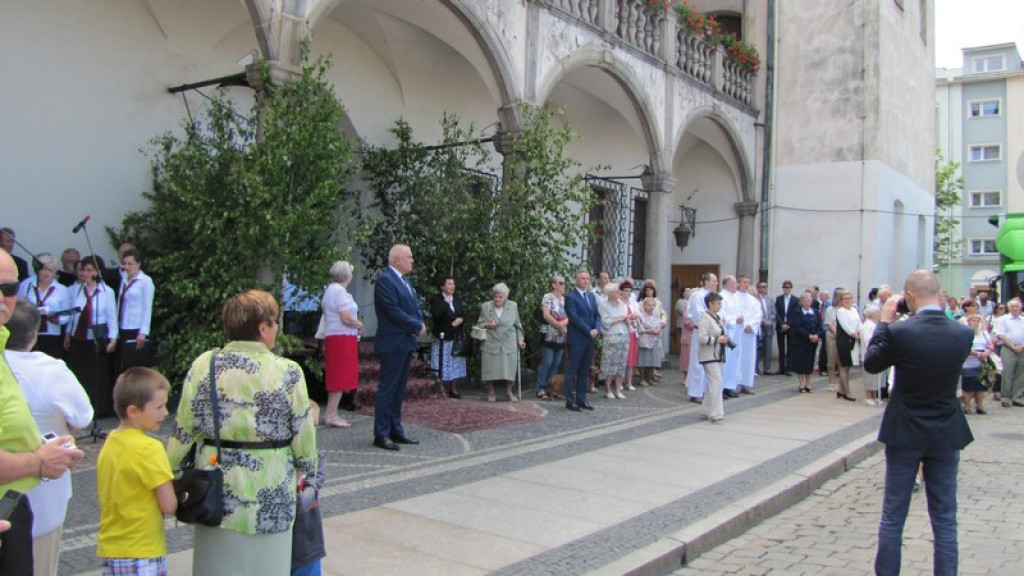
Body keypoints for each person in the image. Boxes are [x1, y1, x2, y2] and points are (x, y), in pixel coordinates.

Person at [167, 289, 318, 575]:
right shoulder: (288, 371)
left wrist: (170, 473)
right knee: (267, 567)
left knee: (217, 565)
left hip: (215, 489)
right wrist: (307, 469)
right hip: (271, 487)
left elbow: (184, 428)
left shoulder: (205, 364)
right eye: (275, 323)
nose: (277, 329)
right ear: (263, 328)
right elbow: (303, 435)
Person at [864, 270, 974, 576]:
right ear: (938, 294)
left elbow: (872, 363)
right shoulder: (963, 333)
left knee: (893, 516)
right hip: (945, 431)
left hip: (906, 431)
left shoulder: (901, 332)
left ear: (909, 296)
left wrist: (885, 321)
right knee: (945, 519)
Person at [0, 249, 85, 576]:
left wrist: (39, 448)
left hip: (16, 504)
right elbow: (83, 416)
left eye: (9, 289)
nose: (3, 298)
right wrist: (38, 461)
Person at [96, 368, 176, 576]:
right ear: (133, 411)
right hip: (143, 550)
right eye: (159, 407)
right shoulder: (150, 448)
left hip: (112, 548)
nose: (165, 413)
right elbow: (168, 505)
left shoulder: (110, 443)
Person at [371, 244, 426, 450]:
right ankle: (381, 433)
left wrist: (419, 320)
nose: (412, 260)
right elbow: (393, 311)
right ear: (397, 260)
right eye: (409, 257)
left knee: (399, 389)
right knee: (388, 389)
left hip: (405, 342)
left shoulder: (404, 281)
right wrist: (416, 325)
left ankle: (396, 428)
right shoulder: (385, 281)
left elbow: (412, 306)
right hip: (392, 342)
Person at [64, 257, 118, 418]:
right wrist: (67, 332)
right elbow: (73, 313)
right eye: (83, 270)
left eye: (89, 270)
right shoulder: (78, 290)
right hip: (79, 336)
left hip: (97, 335)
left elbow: (111, 317)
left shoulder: (106, 291)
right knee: (80, 373)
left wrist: (113, 338)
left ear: (97, 272)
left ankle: (99, 408)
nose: (85, 273)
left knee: (98, 373)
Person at [321, 261, 363, 428]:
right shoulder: (339, 292)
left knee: (337, 375)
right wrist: (359, 324)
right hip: (341, 337)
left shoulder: (331, 290)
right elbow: (346, 318)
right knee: (339, 376)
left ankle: (332, 412)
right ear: (348, 276)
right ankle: (331, 414)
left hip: (336, 336)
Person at [476, 283, 526, 403]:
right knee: (489, 368)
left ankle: (509, 392)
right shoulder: (486, 306)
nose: (497, 299)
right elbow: (479, 324)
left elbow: (518, 325)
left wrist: (520, 340)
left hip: (508, 342)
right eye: (495, 296)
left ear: (506, 298)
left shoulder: (513, 306)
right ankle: (491, 392)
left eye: (500, 297)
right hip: (491, 341)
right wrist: (487, 325)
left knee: (510, 369)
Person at [18, 253, 71, 360]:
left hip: (52, 334)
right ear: (37, 270)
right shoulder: (26, 285)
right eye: (44, 269)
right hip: (30, 332)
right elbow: (18, 305)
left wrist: (58, 319)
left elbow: (68, 314)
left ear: (55, 272)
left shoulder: (62, 290)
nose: (47, 273)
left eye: (50, 270)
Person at [564, 269, 600, 412]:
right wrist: (588, 330)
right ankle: (570, 400)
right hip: (577, 338)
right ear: (576, 281)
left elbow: (597, 315)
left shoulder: (591, 296)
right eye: (583, 278)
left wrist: (597, 328)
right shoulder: (571, 297)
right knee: (572, 370)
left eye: (587, 278)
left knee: (585, 370)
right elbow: (574, 317)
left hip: (589, 339)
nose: (586, 281)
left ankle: (581, 399)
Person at [116, 248, 155, 372]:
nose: (127, 267)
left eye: (130, 264)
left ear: (139, 264)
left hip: (136, 327)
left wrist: (143, 332)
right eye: (125, 264)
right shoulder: (124, 280)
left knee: (134, 364)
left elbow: (147, 307)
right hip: (123, 326)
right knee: (122, 364)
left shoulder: (145, 281)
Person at [429, 275, 467, 399]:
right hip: (442, 337)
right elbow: (436, 314)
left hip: (455, 336)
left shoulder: (456, 299)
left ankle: (453, 388)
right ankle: (439, 388)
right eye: (450, 284)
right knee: (441, 363)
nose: (453, 286)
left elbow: (462, 313)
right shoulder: (437, 299)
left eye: (453, 284)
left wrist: (460, 320)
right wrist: (446, 303)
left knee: (455, 363)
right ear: (442, 286)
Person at [686, 273, 718, 403]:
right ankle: (695, 392)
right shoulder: (697, 296)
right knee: (698, 363)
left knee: (709, 362)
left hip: (711, 333)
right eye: (714, 281)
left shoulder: (714, 297)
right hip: (701, 332)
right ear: (706, 282)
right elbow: (699, 315)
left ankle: (705, 390)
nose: (716, 283)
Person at [697, 291, 728, 423]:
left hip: (718, 354)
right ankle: (715, 412)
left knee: (714, 382)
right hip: (708, 355)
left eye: (720, 303)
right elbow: (701, 338)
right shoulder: (705, 318)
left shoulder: (717, 318)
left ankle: (706, 409)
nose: (720, 306)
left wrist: (724, 339)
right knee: (716, 382)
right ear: (710, 304)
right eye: (718, 303)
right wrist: (716, 340)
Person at [535, 275, 568, 399]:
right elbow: (546, 315)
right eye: (560, 283)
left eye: (564, 283)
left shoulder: (565, 300)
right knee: (547, 361)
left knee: (556, 362)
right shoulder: (548, 297)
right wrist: (557, 325)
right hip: (549, 334)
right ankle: (541, 387)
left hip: (561, 335)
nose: (563, 285)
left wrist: (562, 325)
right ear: (553, 285)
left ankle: (552, 389)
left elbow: (569, 316)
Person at [598, 283, 630, 399]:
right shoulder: (603, 305)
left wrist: (628, 319)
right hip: (611, 335)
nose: (619, 293)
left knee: (621, 363)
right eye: (617, 291)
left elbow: (625, 318)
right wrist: (622, 318)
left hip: (623, 335)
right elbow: (606, 322)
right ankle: (607, 389)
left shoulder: (622, 304)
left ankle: (618, 389)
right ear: (610, 294)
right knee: (609, 363)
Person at [992, 297, 1024, 408]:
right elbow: (1001, 335)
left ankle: (1017, 397)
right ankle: (1005, 397)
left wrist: (1022, 346)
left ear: (1020, 308)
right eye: (1013, 306)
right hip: (1007, 348)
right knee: (1007, 374)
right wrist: (1013, 347)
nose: (1015, 308)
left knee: (1020, 374)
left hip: (1022, 349)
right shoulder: (1003, 319)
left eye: (1017, 306)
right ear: (1009, 308)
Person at [960, 313, 993, 415]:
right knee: (968, 386)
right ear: (968, 322)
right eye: (973, 320)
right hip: (968, 362)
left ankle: (979, 406)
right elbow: (964, 347)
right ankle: (967, 406)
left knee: (981, 385)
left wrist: (987, 352)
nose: (975, 323)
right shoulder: (964, 333)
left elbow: (991, 344)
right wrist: (978, 354)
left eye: (977, 321)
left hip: (982, 362)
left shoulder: (984, 333)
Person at [734, 275, 761, 394]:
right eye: (744, 282)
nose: (746, 284)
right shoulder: (733, 298)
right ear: (738, 283)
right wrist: (744, 325)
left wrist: (751, 325)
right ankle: (736, 383)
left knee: (748, 358)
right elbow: (734, 313)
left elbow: (758, 315)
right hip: (739, 332)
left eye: (748, 282)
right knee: (737, 358)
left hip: (750, 334)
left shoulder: (753, 300)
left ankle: (746, 383)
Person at [790, 292, 821, 393]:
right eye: (806, 301)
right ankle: (801, 383)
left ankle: (808, 382)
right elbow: (798, 327)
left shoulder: (816, 312)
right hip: (801, 341)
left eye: (809, 301)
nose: (808, 303)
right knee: (801, 362)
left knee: (809, 362)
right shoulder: (797, 312)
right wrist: (808, 336)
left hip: (812, 342)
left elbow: (820, 326)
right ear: (801, 302)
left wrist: (817, 335)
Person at [834, 289, 861, 402]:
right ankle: (847, 392)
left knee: (848, 366)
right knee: (844, 366)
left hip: (854, 340)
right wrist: (854, 335)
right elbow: (845, 326)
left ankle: (841, 390)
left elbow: (859, 323)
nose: (848, 300)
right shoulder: (841, 311)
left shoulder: (854, 310)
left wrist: (860, 332)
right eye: (845, 299)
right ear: (841, 300)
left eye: (850, 298)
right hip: (845, 340)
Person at [719, 275, 743, 398]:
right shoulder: (721, 296)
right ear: (727, 284)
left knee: (734, 360)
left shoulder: (735, 297)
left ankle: (729, 385)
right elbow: (722, 314)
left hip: (736, 333)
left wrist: (740, 317)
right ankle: (721, 387)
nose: (736, 285)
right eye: (734, 283)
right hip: (728, 332)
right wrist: (734, 319)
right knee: (726, 360)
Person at [639, 280, 667, 383]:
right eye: (647, 289)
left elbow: (663, 314)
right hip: (646, 332)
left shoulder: (658, 302)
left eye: (651, 289)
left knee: (654, 356)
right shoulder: (641, 303)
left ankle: (651, 375)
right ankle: (643, 377)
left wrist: (662, 323)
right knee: (644, 357)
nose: (649, 291)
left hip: (656, 329)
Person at [636, 296, 664, 387]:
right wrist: (650, 330)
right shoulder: (641, 316)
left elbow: (659, 325)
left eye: (653, 305)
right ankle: (642, 378)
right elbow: (640, 328)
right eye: (649, 305)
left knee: (652, 360)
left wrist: (658, 328)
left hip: (654, 340)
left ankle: (649, 377)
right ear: (644, 305)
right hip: (644, 340)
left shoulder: (654, 316)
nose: (651, 307)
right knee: (643, 360)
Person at [859, 305, 883, 407]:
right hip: (869, 354)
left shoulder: (875, 324)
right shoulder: (867, 325)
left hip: (877, 354)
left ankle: (873, 396)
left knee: (875, 377)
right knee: (870, 376)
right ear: (874, 314)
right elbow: (868, 340)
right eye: (878, 312)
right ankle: (868, 396)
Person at [619, 280, 641, 391]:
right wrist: (627, 317)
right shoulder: (619, 302)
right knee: (622, 357)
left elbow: (638, 314)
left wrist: (633, 316)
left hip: (632, 332)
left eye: (629, 291)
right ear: (621, 291)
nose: (628, 293)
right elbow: (620, 316)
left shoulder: (633, 303)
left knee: (631, 358)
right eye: (626, 291)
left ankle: (629, 382)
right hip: (623, 330)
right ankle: (620, 382)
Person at [774, 280, 798, 376]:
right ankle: (781, 367)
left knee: (790, 347)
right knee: (781, 347)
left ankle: (789, 367)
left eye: (787, 287)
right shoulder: (779, 299)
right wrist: (782, 324)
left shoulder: (795, 300)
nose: (786, 289)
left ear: (791, 288)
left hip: (790, 327)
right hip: (780, 326)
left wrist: (788, 324)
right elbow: (777, 313)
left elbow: (795, 313)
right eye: (784, 287)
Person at [755, 281, 774, 375]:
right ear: (758, 288)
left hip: (769, 327)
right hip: (760, 326)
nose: (763, 289)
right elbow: (757, 313)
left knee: (768, 347)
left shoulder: (770, 299)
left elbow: (773, 312)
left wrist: (770, 321)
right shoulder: (755, 299)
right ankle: (756, 368)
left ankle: (767, 368)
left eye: (765, 287)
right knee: (758, 348)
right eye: (761, 287)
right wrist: (764, 322)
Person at [675, 287, 692, 379]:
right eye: (687, 291)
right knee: (685, 349)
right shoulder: (681, 302)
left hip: (690, 330)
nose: (688, 293)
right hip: (682, 326)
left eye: (690, 291)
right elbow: (683, 312)